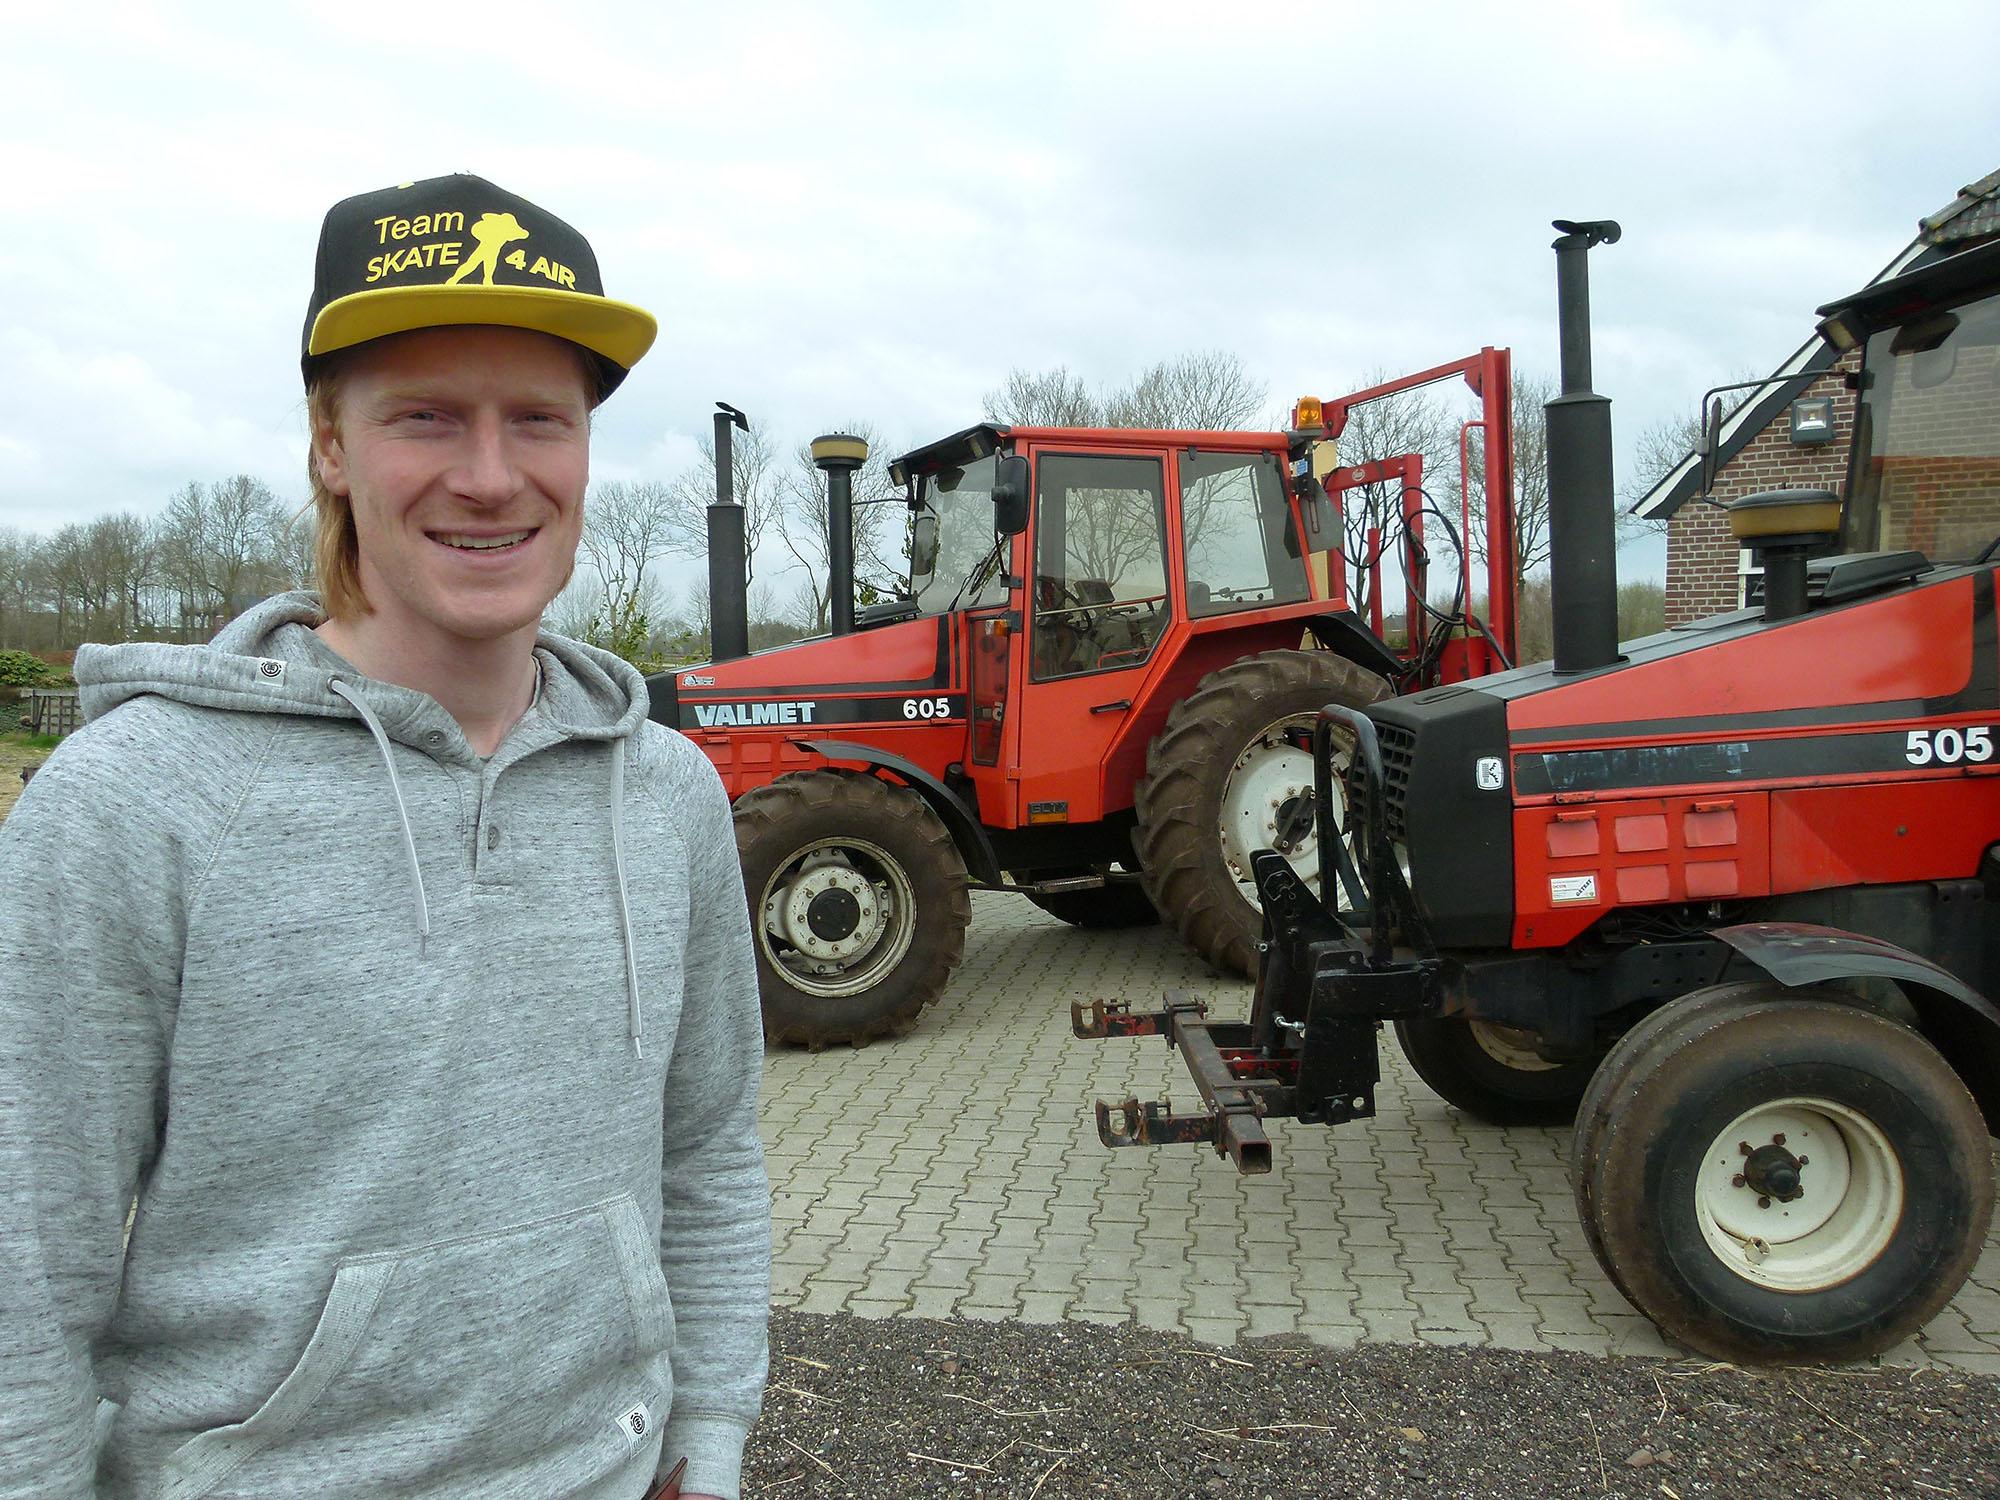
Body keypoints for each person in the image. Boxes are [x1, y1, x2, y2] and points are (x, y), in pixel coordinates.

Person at [0, 173, 769, 1500]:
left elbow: (708, 1153)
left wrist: (710, 1434)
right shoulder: (134, 803)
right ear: (330, 446)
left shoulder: (668, 797)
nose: (491, 476)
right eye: (427, 416)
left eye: (538, 418)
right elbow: (27, 1250)